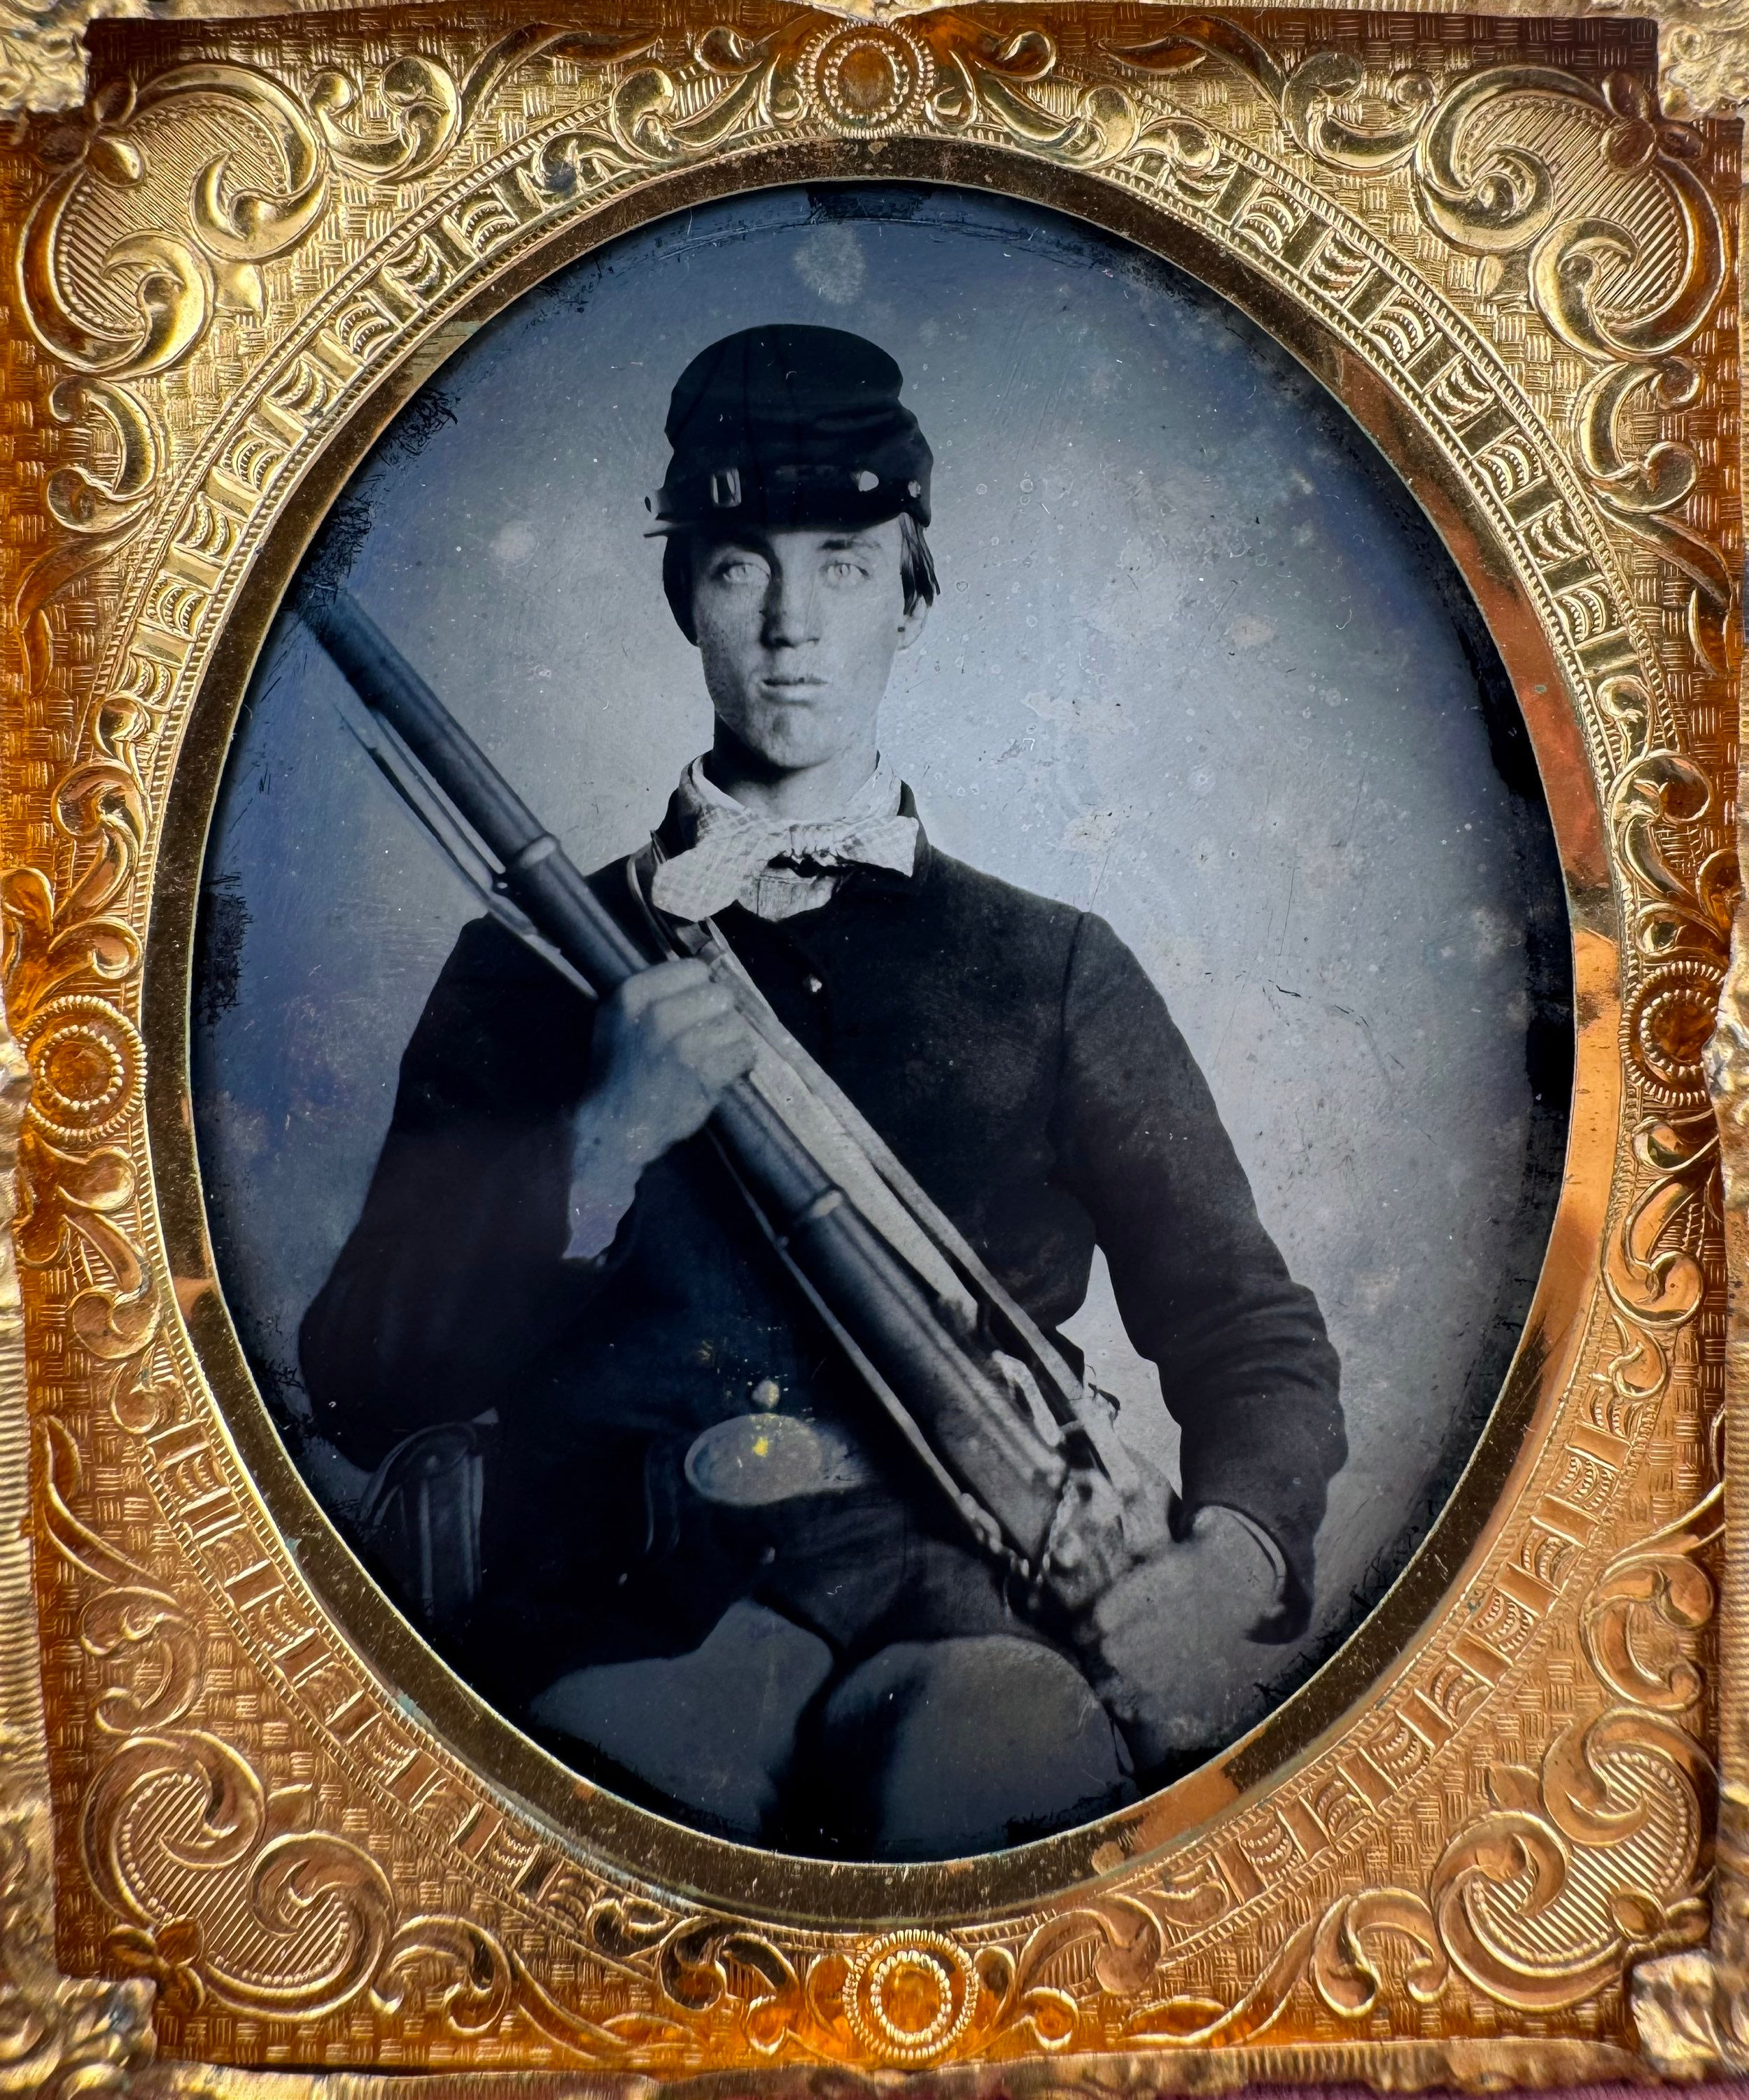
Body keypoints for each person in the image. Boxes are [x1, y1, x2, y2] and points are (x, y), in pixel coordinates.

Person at [300, 324, 1345, 1860]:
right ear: (684, 598)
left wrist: (1230, 1562)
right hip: (611, 1628)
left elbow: (1247, 1329)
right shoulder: (523, 965)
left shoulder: (1051, 967)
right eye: (739, 566)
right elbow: (357, 1376)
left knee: (979, 1777)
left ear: (910, 592)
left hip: (960, 1618)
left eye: (844, 563)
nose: (791, 625)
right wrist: (597, 1142)